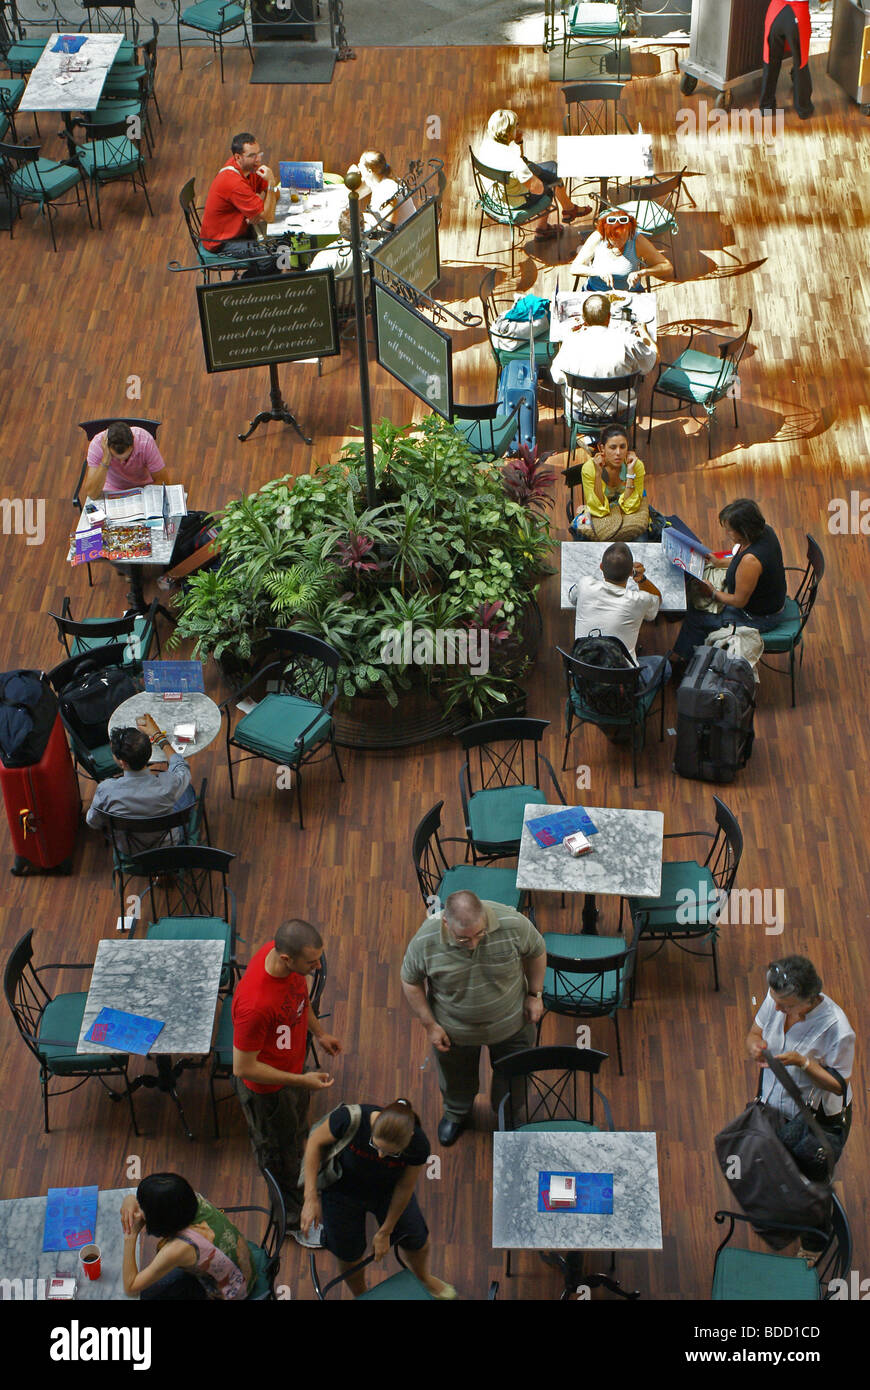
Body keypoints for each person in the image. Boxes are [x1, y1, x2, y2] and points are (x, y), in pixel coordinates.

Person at [400, 890, 546, 1146]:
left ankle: (509, 1114)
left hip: (513, 1023)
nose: (474, 943)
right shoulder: (426, 939)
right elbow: (410, 981)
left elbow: (536, 950)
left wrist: (535, 994)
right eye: (463, 939)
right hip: (454, 1029)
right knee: (455, 1076)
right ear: (446, 922)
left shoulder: (512, 923)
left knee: (516, 1075)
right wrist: (430, 1025)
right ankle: (457, 1113)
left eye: (480, 934)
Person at [232, 918, 342, 1234]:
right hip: (267, 1093)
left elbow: (299, 1001)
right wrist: (301, 1081)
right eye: (311, 961)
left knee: (294, 1136)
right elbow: (243, 1067)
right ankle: (291, 1220)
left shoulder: (287, 965)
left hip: (292, 1074)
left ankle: (302, 1174)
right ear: (286, 959)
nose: (318, 965)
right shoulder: (255, 1005)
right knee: (274, 1155)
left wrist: (320, 1033)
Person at [746, 955, 854, 1256]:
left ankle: (815, 1243)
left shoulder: (837, 1029)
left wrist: (803, 1062)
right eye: (776, 1002)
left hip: (815, 1121)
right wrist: (754, 1045)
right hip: (773, 1106)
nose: (778, 1009)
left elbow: (838, 1085)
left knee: (813, 1186)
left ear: (811, 998)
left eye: (787, 1005)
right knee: (779, 1166)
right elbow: (754, 1033)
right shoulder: (777, 997)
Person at [299, 1097, 456, 1298]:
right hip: (342, 1191)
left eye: (391, 1153)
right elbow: (314, 1142)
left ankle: (424, 1277)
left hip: (386, 1192)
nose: (381, 1155)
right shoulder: (349, 1119)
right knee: (348, 1254)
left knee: (416, 1239)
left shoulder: (418, 1146)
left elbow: (404, 1187)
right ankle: (362, 1294)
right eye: (376, 1145)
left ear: (409, 1138)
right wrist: (310, 1197)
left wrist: (385, 1231)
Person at [670, 498, 787, 668]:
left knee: (697, 616)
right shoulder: (764, 532)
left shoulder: (751, 561)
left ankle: (681, 660)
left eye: (730, 531)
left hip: (757, 616)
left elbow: (739, 601)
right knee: (698, 603)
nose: (727, 533)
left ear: (744, 531)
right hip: (764, 599)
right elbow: (739, 560)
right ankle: (690, 652)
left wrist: (712, 592)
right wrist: (719, 562)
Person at [120, 1172, 254, 1300]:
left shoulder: (179, 1248)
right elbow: (155, 1201)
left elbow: (131, 1287)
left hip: (232, 1292)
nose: (138, 1211)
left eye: (142, 1208)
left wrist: (130, 1236)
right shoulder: (187, 1199)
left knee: (147, 1295)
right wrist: (130, 1199)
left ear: (159, 1217)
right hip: (242, 1265)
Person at [474, 109, 589, 241]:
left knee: (552, 167)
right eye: (517, 125)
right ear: (510, 131)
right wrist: (539, 176)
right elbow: (538, 188)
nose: (519, 127)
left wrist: (519, 143)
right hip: (513, 203)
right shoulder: (513, 161)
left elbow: (521, 161)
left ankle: (569, 209)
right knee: (551, 185)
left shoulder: (487, 144)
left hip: (494, 197)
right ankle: (544, 228)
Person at [550, 292, 657, 431]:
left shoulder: (571, 341)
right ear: (609, 317)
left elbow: (557, 377)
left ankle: (591, 437)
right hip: (619, 417)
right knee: (638, 375)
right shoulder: (627, 340)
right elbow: (649, 364)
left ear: (584, 319)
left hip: (580, 416)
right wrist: (644, 333)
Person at [572, 540, 671, 689]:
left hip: (583, 677)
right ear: (630, 572)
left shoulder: (585, 584)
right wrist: (641, 578)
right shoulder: (640, 600)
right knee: (665, 666)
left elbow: (572, 598)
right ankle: (638, 702)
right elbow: (657, 601)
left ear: (601, 567)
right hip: (623, 686)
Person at [85, 715, 195, 845]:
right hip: (168, 842)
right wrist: (158, 735)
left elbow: (92, 821)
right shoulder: (168, 785)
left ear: (122, 762)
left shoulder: (106, 790)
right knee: (188, 790)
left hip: (130, 848)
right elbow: (182, 768)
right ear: (149, 755)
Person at [199, 132, 280, 278]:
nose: (258, 159)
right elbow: (268, 215)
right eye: (252, 156)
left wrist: (264, 200)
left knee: (283, 243)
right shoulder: (233, 182)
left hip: (240, 228)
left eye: (259, 154)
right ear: (238, 157)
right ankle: (243, 285)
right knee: (270, 256)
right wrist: (271, 185)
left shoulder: (251, 168)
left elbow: (275, 196)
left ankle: (281, 277)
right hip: (222, 242)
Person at [571, 426, 650, 542]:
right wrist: (598, 475)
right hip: (599, 513)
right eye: (612, 447)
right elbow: (597, 509)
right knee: (582, 536)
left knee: (641, 539)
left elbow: (631, 507)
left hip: (629, 514)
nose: (618, 453)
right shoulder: (589, 468)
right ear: (601, 448)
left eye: (622, 447)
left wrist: (630, 473)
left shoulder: (636, 465)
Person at [759, 1, 830, 121]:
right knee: (800, 62)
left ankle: (766, 106)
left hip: (775, 12)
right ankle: (804, 108)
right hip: (798, 13)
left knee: (770, 61)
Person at [570, 209, 672, 291]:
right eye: (613, 240)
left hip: (629, 294)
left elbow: (667, 267)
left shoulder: (637, 240)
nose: (618, 243)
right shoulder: (598, 237)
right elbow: (574, 268)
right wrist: (598, 272)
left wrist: (642, 272)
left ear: (630, 232)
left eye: (623, 238)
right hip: (596, 291)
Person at [82, 421, 171, 501]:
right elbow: (92, 494)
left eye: (127, 457)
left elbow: (164, 482)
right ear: (106, 447)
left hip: (143, 488)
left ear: (133, 442)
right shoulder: (96, 446)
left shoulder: (145, 441)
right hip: (112, 490)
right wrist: (105, 460)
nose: (121, 462)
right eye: (115, 457)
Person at [358, 151, 415, 228]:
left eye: (360, 164)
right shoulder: (381, 179)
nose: (358, 166)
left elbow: (387, 227)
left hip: (405, 232)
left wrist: (363, 216)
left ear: (369, 171)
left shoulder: (388, 190)